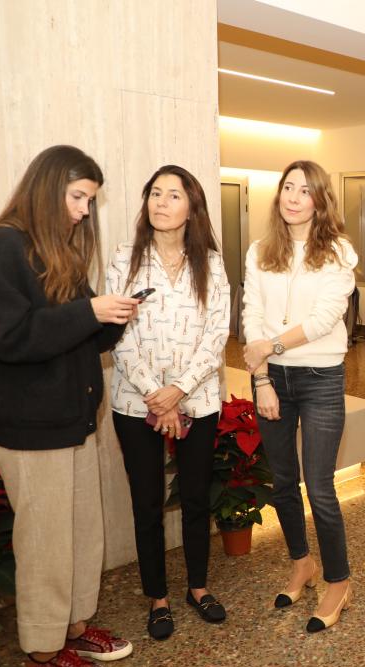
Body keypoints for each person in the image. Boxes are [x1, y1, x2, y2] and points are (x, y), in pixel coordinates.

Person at [0, 145, 136, 667]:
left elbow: (74, 333)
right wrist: (89, 312)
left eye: (90, 201)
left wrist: (111, 318)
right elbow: (7, 337)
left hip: (70, 420)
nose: (84, 211)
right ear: (47, 187)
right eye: (78, 197)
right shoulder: (1, 249)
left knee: (80, 533)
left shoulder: (55, 251)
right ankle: (41, 651)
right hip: (30, 426)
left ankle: (73, 628)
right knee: (46, 542)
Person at [108, 165, 230, 640]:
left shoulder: (211, 264)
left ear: (192, 207)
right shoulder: (125, 259)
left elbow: (217, 335)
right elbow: (118, 335)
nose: (161, 202)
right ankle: (157, 598)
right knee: (147, 502)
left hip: (197, 398)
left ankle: (198, 587)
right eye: (155, 193)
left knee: (196, 496)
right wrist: (156, 398)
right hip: (135, 401)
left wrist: (178, 390)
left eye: (173, 195)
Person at [241, 160, 357, 633]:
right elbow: (250, 314)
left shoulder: (338, 253)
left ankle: (338, 582)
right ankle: (301, 563)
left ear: (320, 200)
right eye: (288, 187)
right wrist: (262, 378)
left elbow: (325, 318)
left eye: (304, 190)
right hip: (272, 379)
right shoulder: (259, 251)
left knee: (321, 487)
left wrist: (269, 347)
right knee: (283, 482)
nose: (293, 197)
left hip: (320, 377)